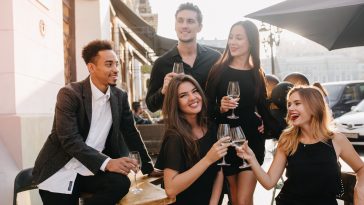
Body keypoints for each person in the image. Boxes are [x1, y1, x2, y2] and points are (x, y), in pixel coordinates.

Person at [32, 40, 158, 205]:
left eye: (116, 64)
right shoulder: (69, 94)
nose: (115, 69)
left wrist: (148, 167)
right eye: (109, 64)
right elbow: (69, 140)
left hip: (91, 170)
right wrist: (107, 163)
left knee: (120, 183)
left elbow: (130, 132)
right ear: (91, 68)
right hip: (60, 170)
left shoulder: (119, 97)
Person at [237, 86, 364, 205]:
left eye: (297, 103)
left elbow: (361, 168)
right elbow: (269, 182)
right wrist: (251, 159)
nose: (291, 108)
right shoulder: (287, 140)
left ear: (314, 106)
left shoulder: (337, 139)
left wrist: (360, 189)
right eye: (289, 104)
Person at [205, 20, 282, 205]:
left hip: (250, 142)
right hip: (225, 141)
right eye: (231, 37)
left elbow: (264, 106)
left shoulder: (257, 73)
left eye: (239, 37)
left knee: (244, 199)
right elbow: (205, 106)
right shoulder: (218, 70)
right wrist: (220, 107)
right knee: (234, 197)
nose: (232, 42)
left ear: (251, 42)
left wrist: (266, 123)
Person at [155, 74, 230, 204]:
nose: (192, 98)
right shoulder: (175, 137)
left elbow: (219, 171)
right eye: (183, 95)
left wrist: (213, 203)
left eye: (195, 91)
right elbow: (171, 189)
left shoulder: (211, 127)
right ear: (175, 102)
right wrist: (208, 159)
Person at [145, 2, 221, 112]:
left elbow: (225, 93)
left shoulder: (215, 58)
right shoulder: (161, 63)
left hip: (211, 126)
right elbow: (151, 106)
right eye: (180, 21)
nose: (184, 25)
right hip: (179, 128)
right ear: (175, 26)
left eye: (190, 21)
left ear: (199, 27)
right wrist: (164, 90)